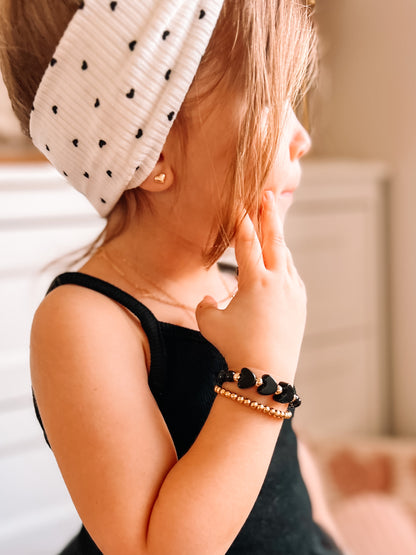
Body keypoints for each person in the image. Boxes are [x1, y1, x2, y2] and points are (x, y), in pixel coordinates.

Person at [0, 0, 346, 553]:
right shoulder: (85, 323)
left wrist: (327, 537)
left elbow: (286, 461)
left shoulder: (238, 284)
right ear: (154, 152)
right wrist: (260, 374)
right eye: (270, 100)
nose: (301, 135)